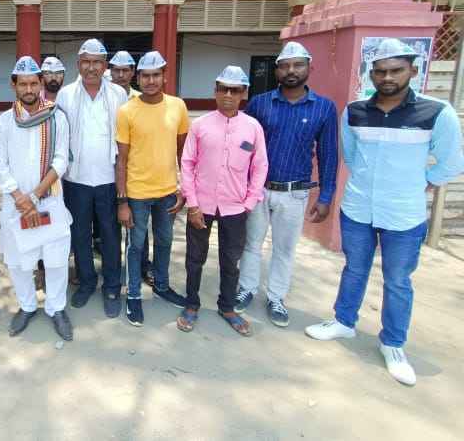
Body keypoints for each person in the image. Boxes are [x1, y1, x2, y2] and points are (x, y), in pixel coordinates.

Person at [305, 39, 464, 386]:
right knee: (354, 268)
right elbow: (351, 154)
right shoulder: (356, 111)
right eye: (380, 71)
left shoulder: (436, 112)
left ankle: (393, 344)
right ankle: (343, 322)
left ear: (413, 71)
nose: (387, 77)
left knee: (398, 281)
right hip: (359, 208)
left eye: (396, 70)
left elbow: (452, 162)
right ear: (371, 73)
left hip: (404, 215)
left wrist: (423, 183)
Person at [235, 41, 339, 327]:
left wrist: (326, 196)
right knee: (251, 244)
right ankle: (246, 288)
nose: (291, 71)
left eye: (298, 65)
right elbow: (245, 143)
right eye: (285, 66)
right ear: (277, 70)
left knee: (284, 249)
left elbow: (329, 154)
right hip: (258, 189)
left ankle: (276, 297)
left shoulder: (324, 108)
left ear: (309, 68)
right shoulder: (260, 103)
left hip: (295, 192)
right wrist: (239, 179)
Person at [178, 66, 268, 336]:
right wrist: (192, 204)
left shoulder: (252, 127)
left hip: (236, 207)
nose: (228, 95)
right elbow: (187, 163)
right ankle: (191, 304)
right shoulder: (200, 125)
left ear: (244, 93)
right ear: (215, 91)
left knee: (231, 260)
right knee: (195, 259)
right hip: (201, 205)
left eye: (235, 90)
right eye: (223, 89)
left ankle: (227, 307)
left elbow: (260, 166)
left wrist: (249, 203)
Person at [0, 56, 74, 341]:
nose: (28, 89)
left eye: (33, 83)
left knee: (55, 259)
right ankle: (27, 306)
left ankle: (56, 308)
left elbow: (61, 160)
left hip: (49, 199)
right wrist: (20, 197)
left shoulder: (57, 117)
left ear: (41, 83)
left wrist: (36, 194)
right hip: (16, 205)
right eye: (23, 84)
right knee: (18, 261)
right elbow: (0, 164)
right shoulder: (5, 121)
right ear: (14, 85)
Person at [116, 51, 189, 326]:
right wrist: (122, 201)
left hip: (168, 192)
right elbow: (121, 160)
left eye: (156, 75)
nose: (150, 81)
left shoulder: (177, 106)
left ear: (164, 76)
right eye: (145, 76)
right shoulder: (127, 111)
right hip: (137, 193)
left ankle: (161, 285)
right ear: (138, 77)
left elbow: (184, 153)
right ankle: (133, 295)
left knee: (165, 242)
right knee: (135, 246)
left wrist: (184, 188)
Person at [57, 38, 128, 317]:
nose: (91, 67)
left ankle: (111, 286)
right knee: (80, 234)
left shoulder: (118, 95)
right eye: (86, 62)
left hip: (109, 178)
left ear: (105, 65)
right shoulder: (65, 95)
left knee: (110, 234)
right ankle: (86, 282)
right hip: (76, 179)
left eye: (97, 62)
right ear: (78, 64)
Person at [109, 49, 155, 286]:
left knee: (137, 224)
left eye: (125, 70)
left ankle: (142, 266)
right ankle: (113, 267)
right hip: (108, 168)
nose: (120, 75)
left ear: (133, 72)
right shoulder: (104, 95)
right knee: (109, 223)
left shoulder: (140, 99)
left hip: (134, 168)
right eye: (116, 70)